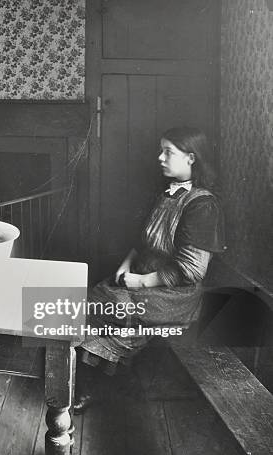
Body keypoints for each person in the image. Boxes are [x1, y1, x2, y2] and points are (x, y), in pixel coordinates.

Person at [74, 126, 225, 413]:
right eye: (161, 150)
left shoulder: (203, 205)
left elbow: (191, 270)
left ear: (191, 159)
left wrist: (141, 282)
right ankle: (91, 380)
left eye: (168, 152)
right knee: (91, 302)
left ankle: (97, 385)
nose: (160, 157)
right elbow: (142, 242)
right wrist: (127, 264)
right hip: (141, 278)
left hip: (173, 294)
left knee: (106, 308)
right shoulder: (167, 194)